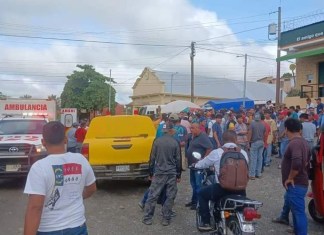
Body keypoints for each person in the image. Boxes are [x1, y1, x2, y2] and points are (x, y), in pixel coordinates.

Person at [23, 121, 96, 235]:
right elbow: (91, 188)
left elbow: (35, 208)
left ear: (43, 142)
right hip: (77, 227)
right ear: (65, 140)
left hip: (48, 229)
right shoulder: (81, 160)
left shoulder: (39, 168)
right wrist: (76, 197)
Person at [194, 131, 249, 231]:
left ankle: (206, 222)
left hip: (222, 188)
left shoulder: (217, 152)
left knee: (201, 194)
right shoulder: (243, 153)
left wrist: (195, 165)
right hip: (241, 190)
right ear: (235, 140)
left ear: (223, 140)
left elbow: (202, 163)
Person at [142, 122, 181, 226]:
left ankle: (147, 217)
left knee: (153, 195)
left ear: (163, 131)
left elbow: (152, 158)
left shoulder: (157, 142)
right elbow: (178, 159)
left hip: (159, 172)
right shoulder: (175, 142)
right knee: (170, 196)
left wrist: (150, 172)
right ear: (171, 130)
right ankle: (166, 218)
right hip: (171, 173)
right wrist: (179, 174)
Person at [281, 118, 310, 235]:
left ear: (287, 129)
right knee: (295, 209)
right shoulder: (303, 142)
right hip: (300, 183)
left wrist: (290, 177)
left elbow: (297, 162)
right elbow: (307, 161)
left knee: (298, 213)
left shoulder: (295, 143)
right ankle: (294, 228)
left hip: (296, 183)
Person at [185, 123, 213, 210]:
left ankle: (198, 203)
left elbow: (209, 148)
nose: (191, 130)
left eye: (193, 128)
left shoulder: (203, 136)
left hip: (199, 166)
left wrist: (204, 159)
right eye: (191, 128)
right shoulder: (193, 136)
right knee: (193, 184)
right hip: (192, 165)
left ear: (198, 128)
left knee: (198, 185)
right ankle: (194, 201)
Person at [248, 113, 266, 179]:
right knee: (260, 158)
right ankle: (258, 173)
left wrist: (248, 142)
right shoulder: (263, 124)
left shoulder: (252, 124)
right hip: (261, 142)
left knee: (253, 158)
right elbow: (265, 134)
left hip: (254, 142)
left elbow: (250, 133)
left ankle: (252, 175)